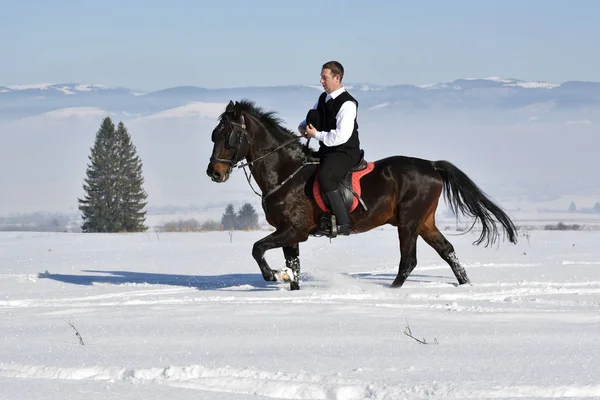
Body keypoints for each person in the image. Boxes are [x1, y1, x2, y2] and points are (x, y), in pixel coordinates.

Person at [298, 61, 361, 236]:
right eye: (321, 77)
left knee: (325, 177)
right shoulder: (322, 99)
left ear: (337, 77)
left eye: (324, 78)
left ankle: (343, 223)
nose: (321, 81)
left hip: (345, 152)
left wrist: (316, 135)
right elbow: (309, 120)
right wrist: (303, 128)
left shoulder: (348, 103)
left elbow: (341, 136)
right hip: (328, 150)